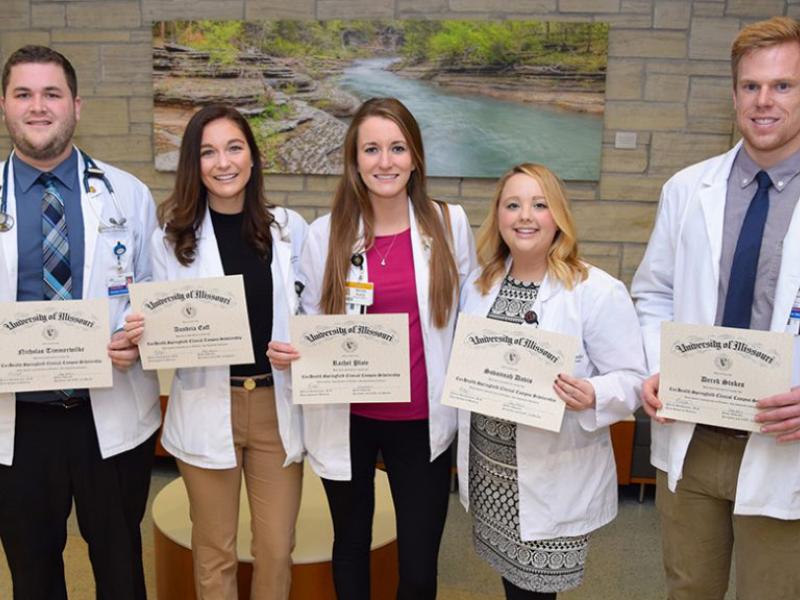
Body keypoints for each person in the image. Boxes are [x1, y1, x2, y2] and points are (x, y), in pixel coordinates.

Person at [268, 97, 475, 599]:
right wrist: (293, 353)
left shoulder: (449, 224)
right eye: (372, 149)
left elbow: (468, 315)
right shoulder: (327, 233)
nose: (385, 162)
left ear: (416, 157)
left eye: (397, 148)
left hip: (421, 419)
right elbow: (311, 320)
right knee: (351, 544)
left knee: (419, 568)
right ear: (355, 159)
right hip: (349, 416)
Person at [631, 16, 800, 600]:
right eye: (751, 85)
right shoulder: (687, 189)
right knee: (688, 589)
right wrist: (659, 368)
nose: (763, 101)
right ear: (733, 95)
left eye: (782, 85)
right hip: (695, 432)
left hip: (783, 440)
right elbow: (654, 293)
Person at [124, 104, 307, 600]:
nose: (223, 162)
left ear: (253, 156)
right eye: (208, 152)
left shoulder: (288, 228)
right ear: (194, 163)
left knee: (276, 549)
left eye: (234, 148)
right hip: (209, 401)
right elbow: (156, 322)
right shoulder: (170, 239)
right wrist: (143, 331)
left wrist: (305, 347)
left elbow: (311, 310)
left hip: (274, 407)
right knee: (214, 552)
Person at [0, 45, 160, 599]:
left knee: (121, 570)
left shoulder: (128, 195)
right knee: (32, 575)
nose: (38, 107)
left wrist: (140, 341)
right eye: (23, 94)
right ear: (4, 106)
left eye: (52, 94)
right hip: (20, 423)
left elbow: (153, 298)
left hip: (108, 413)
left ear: (76, 105)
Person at [456, 163, 646, 600]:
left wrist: (594, 393)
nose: (525, 216)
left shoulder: (595, 290)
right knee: (512, 586)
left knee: (535, 592)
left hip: (551, 479)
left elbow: (633, 379)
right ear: (498, 215)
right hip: (490, 472)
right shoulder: (479, 285)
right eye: (513, 205)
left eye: (539, 205)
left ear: (558, 215)